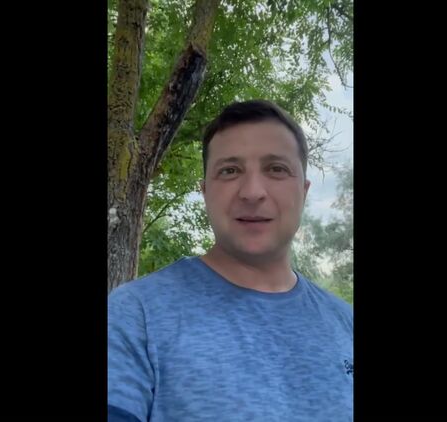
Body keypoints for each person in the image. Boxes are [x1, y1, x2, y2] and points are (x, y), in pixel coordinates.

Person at [107, 100, 354, 421]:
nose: (252, 192)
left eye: (276, 169)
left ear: (304, 191)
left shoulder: (346, 324)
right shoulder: (134, 315)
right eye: (230, 171)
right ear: (205, 192)